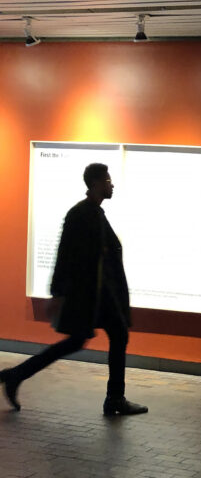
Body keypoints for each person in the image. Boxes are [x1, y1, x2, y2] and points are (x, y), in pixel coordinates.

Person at [0, 163, 148, 416]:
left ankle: (114, 397)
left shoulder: (95, 213)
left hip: (99, 296)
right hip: (89, 296)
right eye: (108, 180)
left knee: (114, 335)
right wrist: (57, 292)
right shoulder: (80, 214)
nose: (112, 184)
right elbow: (65, 254)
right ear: (97, 183)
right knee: (82, 340)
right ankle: (16, 375)